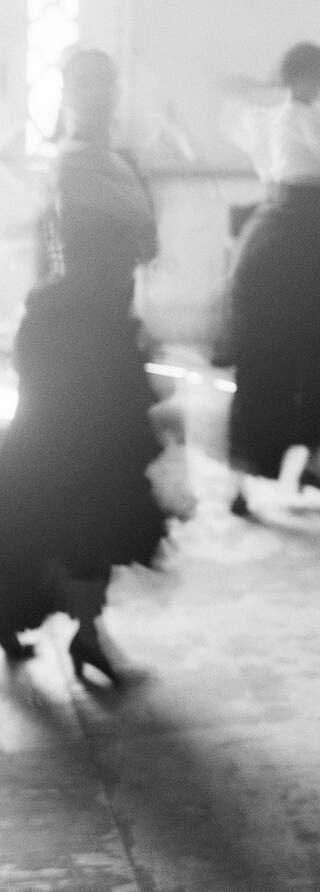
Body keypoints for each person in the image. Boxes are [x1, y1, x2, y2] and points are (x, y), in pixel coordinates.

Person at [0, 50, 171, 682]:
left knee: (100, 486)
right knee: (68, 482)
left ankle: (82, 628)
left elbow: (144, 244)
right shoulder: (75, 162)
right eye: (85, 89)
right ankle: (51, 616)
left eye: (105, 87)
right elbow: (116, 241)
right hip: (72, 340)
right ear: (69, 96)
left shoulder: (115, 164)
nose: (97, 99)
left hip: (103, 335)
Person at [220, 42, 320, 517]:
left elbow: (234, 116)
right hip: (295, 246)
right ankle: (271, 475)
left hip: (271, 240)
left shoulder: (272, 118)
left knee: (275, 359)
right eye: (318, 76)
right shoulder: (304, 117)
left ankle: (297, 471)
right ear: (302, 78)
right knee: (310, 356)